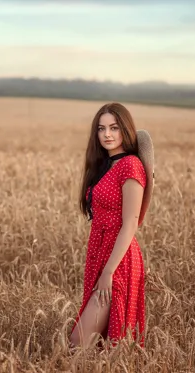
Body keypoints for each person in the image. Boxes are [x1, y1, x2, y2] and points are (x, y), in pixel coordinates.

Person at [69, 102, 149, 349]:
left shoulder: (130, 165)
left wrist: (108, 272)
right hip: (100, 250)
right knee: (94, 345)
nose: (107, 134)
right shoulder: (105, 165)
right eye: (101, 128)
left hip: (119, 258)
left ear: (125, 129)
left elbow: (130, 224)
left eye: (114, 128)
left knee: (78, 342)